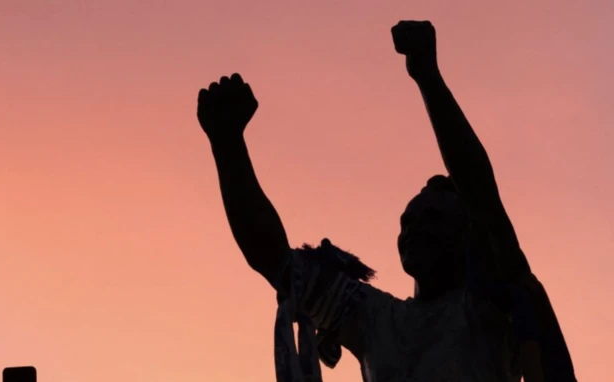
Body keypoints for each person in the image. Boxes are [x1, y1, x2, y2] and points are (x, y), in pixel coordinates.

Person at [196, 20, 576, 382]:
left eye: (433, 219)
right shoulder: (377, 320)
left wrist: (428, 76)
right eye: (408, 223)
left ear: (466, 235)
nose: (415, 231)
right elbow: (275, 261)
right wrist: (228, 146)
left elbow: (482, 196)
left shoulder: (489, 308)